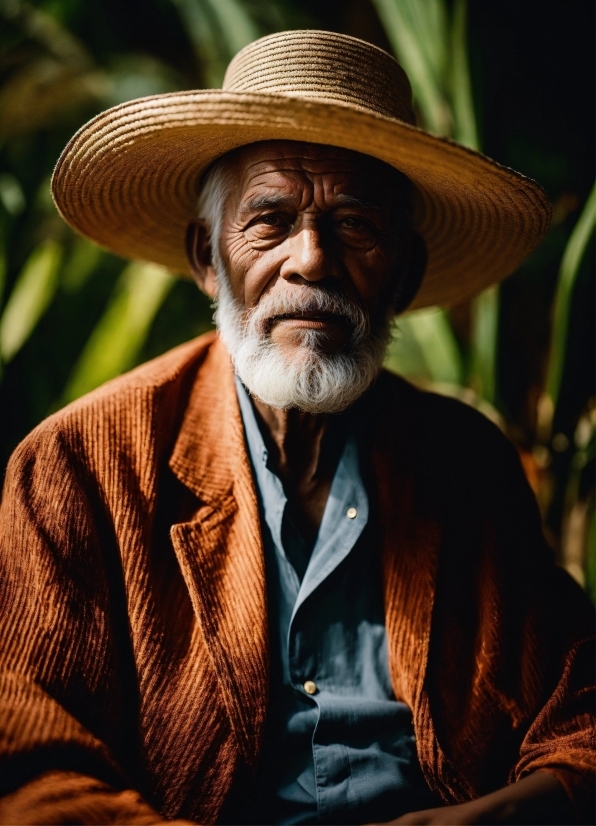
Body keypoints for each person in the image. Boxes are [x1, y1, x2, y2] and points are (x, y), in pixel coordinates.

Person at [0, 29, 593, 826]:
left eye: (355, 225)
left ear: (405, 275)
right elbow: (27, 762)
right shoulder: (77, 467)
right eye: (269, 221)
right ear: (206, 259)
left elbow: (582, 717)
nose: (310, 260)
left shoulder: (467, 464)